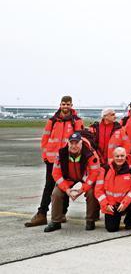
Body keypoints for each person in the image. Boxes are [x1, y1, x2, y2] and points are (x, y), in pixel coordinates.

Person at [26, 95, 85, 228]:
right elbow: (45, 139)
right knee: (49, 186)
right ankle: (41, 214)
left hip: (68, 160)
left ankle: (62, 213)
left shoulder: (77, 121)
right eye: (63, 104)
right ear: (60, 105)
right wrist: (45, 155)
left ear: (71, 105)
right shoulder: (52, 121)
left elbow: (80, 140)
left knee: (65, 186)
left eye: (68, 104)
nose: (65, 106)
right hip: (52, 160)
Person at [44, 132, 101, 232]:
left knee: (92, 192)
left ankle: (90, 220)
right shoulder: (61, 153)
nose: (74, 146)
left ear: (81, 143)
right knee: (56, 193)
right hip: (68, 178)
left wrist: (82, 189)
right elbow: (56, 174)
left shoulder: (90, 153)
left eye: (76, 143)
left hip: (85, 177)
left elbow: (94, 173)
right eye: (72, 143)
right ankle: (56, 221)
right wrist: (67, 190)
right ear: (68, 143)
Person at [95, 146, 131, 232]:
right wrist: (106, 205)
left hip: (125, 203)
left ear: (126, 156)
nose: (120, 158)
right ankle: (116, 217)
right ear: (113, 157)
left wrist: (125, 203)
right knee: (111, 229)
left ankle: (128, 219)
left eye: (122, 156)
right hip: (111, 205)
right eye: (117, 156)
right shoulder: (105, 169)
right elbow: (98, 190)